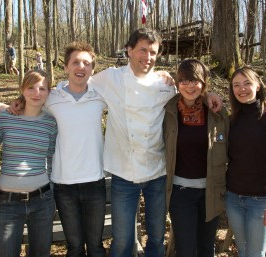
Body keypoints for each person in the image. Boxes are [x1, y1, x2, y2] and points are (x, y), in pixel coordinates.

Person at [89, 28, 222, 257]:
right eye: (142, 50)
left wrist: (208, 96)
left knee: (157, 237)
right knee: (122, 240)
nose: (147, 57)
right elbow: (77, 86)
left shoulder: (165, 84)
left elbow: (189, 93)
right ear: (129, 50)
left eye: (153, 52)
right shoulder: (110, 78)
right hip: (123, 173)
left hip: (157, 172)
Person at [44, 41, 107, 257]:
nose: (81, 67)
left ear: (92, 69)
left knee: (96, 246)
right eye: (76, 62)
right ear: (66, 67)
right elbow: (26, 106)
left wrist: (165, 78)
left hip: (95, 182)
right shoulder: (51, 98)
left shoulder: (101, 95)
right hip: (64, 185)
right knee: (74, 247)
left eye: (87, 63)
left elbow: (133, 96)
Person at [163, 59, 229, 257]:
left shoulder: (217, 113)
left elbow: (234, 147)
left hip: (211, 192)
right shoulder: (168, 111)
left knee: (206, 247)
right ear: (177, 83)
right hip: (180, 192)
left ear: (204, 83)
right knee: (186, 249)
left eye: (195, 81)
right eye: (184, 81)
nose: (189, 86)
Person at [0, 70, 57, 257]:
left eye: (43, 88)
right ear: (22, 89)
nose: (37, 93)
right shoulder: (6, 119)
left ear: (49, 92)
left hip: (42, 201)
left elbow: (51, 158)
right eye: (31, 87)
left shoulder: (50, 123)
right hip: (8, 203)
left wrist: (50, 186)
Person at [225, 67, 266, 257]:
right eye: (236, 85)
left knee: (255, 254)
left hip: (260, 201)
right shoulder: (232, 121)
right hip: (233, 198)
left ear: (258, 86)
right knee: (243, 250)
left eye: (247, 83)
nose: (242, 89)